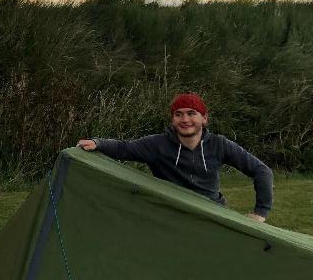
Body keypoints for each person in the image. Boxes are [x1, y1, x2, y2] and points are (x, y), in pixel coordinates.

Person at [77, 92, 273, 221]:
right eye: (178, 114)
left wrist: (260, 212)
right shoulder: (157, 145)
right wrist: (98, 143)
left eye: (191, 113)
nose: (185, 119)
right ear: (173, 119)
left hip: (212, 215)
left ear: (204, 118)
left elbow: (261, 170)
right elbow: (123, 148)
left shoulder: (219, 145)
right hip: (170, 217)